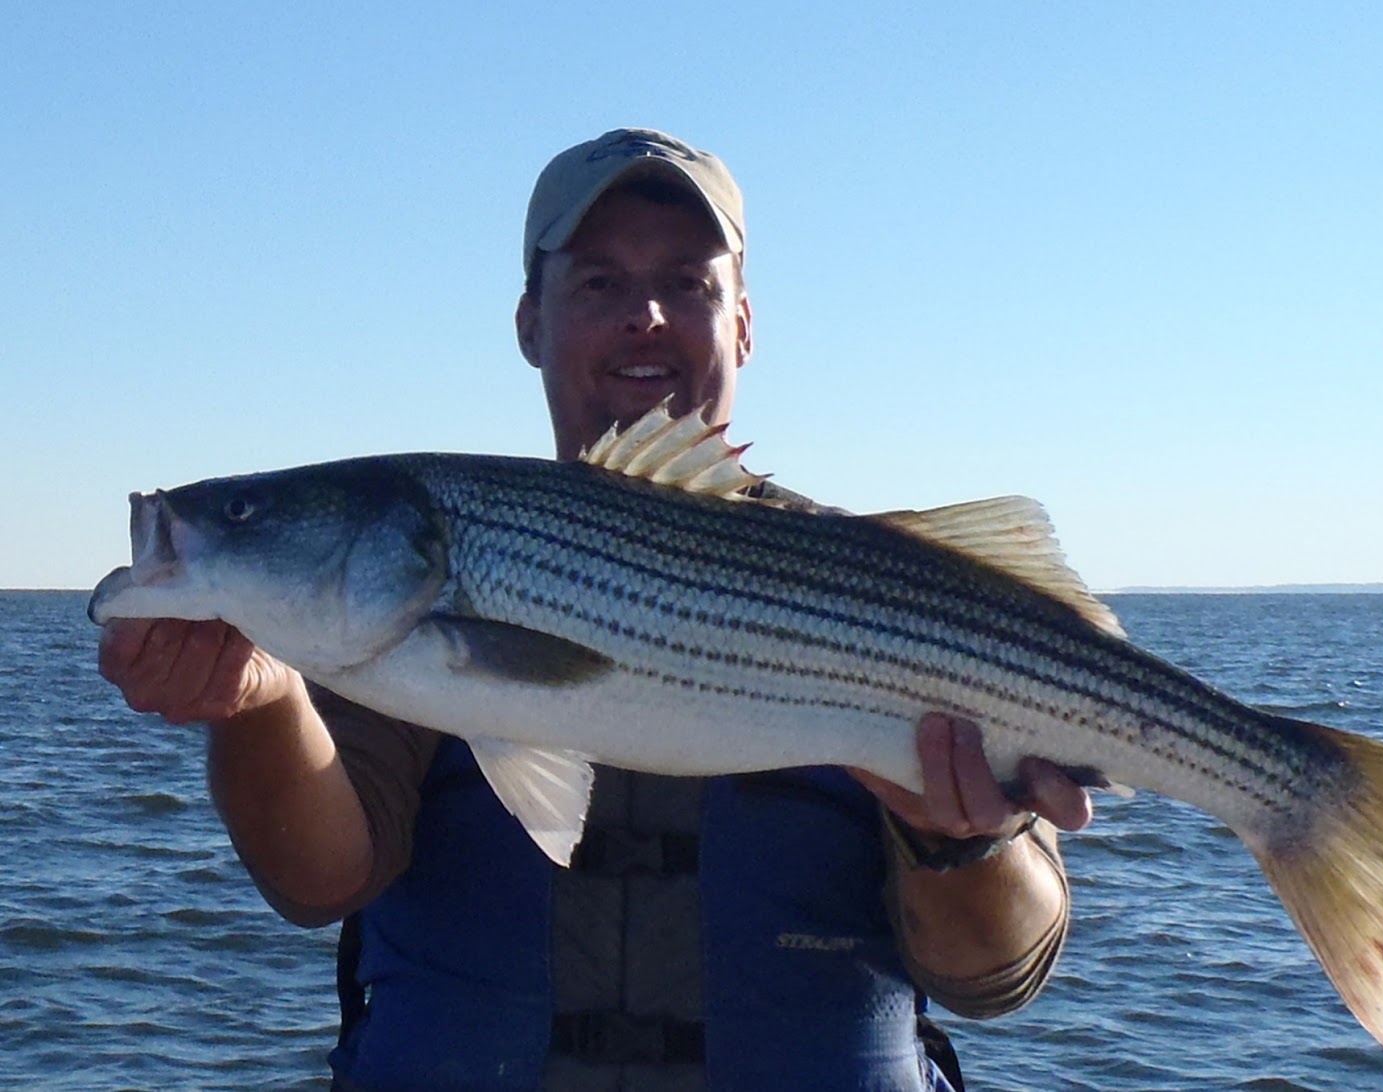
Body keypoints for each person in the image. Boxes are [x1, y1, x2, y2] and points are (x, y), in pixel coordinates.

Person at [98, 127, 1093, 1091]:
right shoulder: (375, 612)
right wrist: (262, 705)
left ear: (743, 322)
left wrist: (963, 839)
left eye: (687, 285)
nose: (645, 316)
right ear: (530, 321)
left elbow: (997, 977)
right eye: (600, 282)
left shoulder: (891, 587)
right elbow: (317, 883)